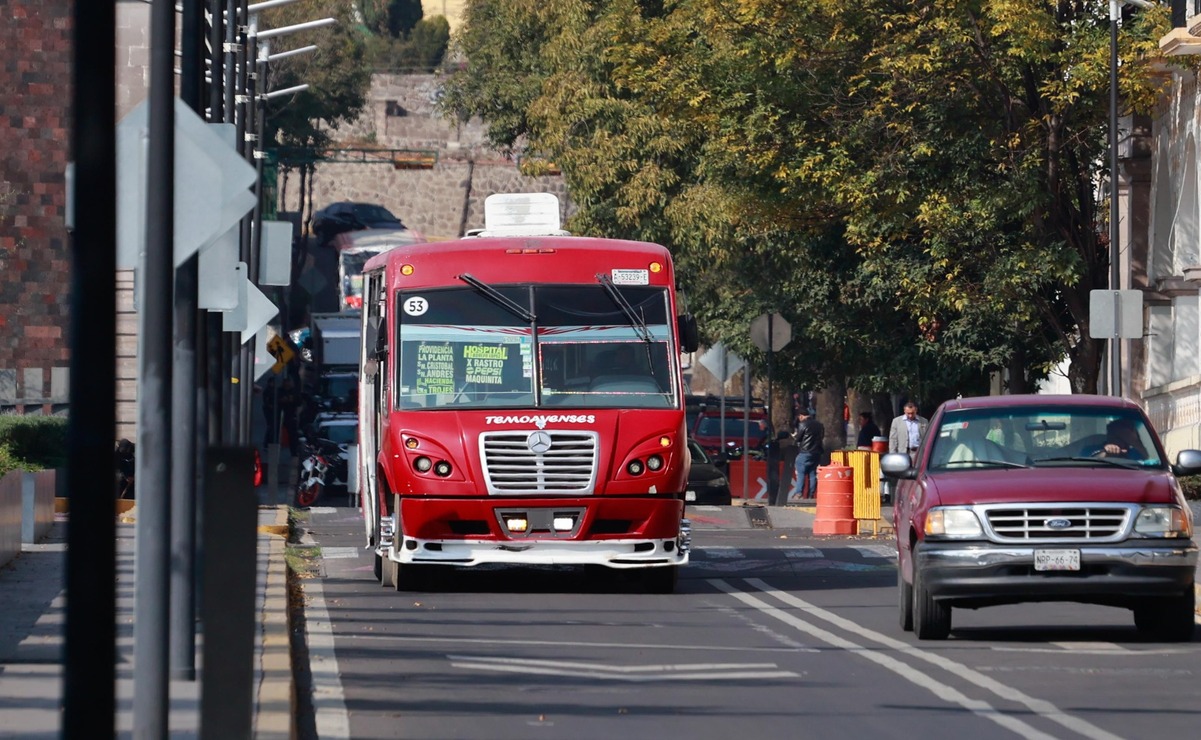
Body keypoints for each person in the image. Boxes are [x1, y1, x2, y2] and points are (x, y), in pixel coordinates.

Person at [787, 408, 824, 501]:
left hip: (805, 451)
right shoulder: (819, 425)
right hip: (817, 452)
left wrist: (794, 436)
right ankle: (811, 495)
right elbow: (822, 437)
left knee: (801, 473)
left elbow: (798, 438)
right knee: (812, 474)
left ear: (801, 415)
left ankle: (799, 493)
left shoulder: (803, 424)